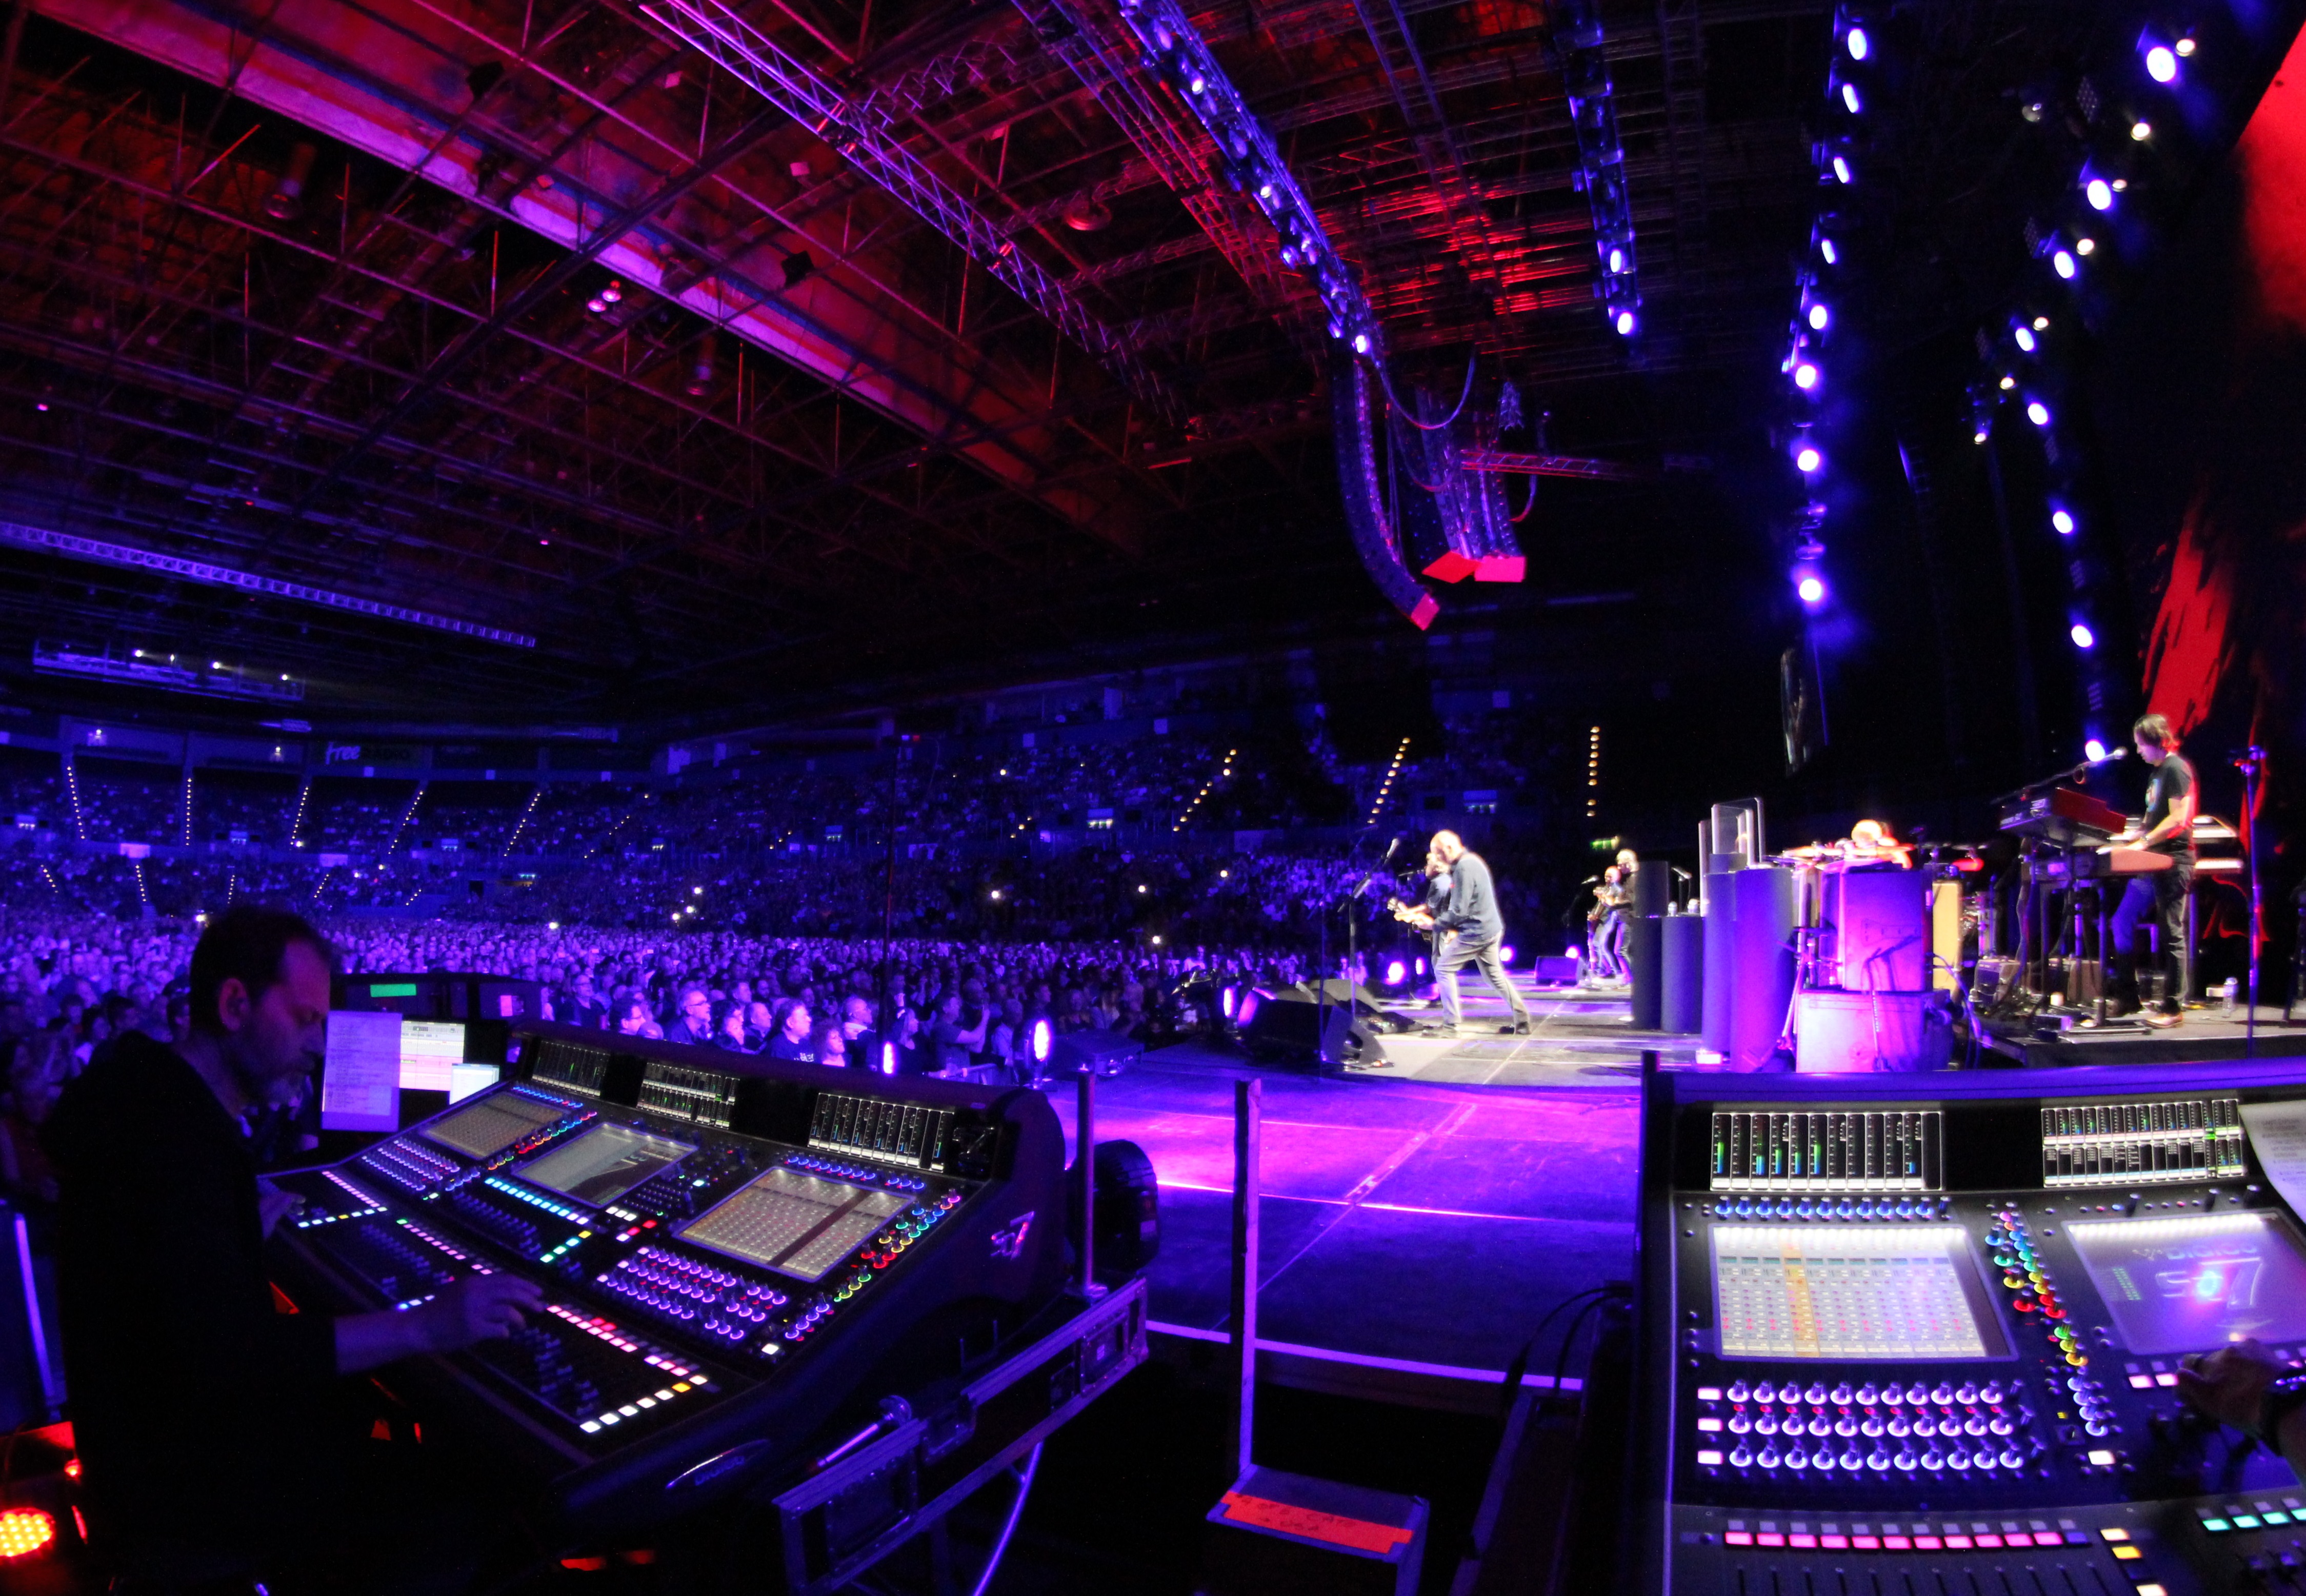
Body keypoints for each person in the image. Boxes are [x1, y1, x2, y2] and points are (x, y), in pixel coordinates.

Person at [45, 904, 543, 1589]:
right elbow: (235, 1354)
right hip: (188, 1487)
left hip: (145, 1444)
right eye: (308, 1020)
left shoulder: (141, 1098)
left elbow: (160, 1284)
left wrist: (227, 1240)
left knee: (366, 1408)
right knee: (480, 1492)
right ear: (235, 1003)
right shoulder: (175, 1146)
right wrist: (427, 1324)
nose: (320, 1046)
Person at [1400, 832, 1531, 1036]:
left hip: (1477, 931)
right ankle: (1522, 1021)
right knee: (1495, 976)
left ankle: (1450, 1027)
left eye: (1438, 854)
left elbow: (1459, 911)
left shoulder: (1464, 867)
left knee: (1443, 969)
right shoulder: (1471, 861)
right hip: (1490, 928)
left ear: (1449, 848)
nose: (1437, 859)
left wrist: (1433, 925)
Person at [2111, 713, 2196, 1028]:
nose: (2138, 751)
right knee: (2121, 921)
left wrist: (2144, 842)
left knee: (2171, 932)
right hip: (2152, 862)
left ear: (2157, 741)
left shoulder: (2176, 768)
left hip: (2173, 861)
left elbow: (2178, 820)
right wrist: (2125, 840)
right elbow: (2152, 821)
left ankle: (2173, 1008)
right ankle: (2128, 997)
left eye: (2141, 745)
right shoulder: (2157, 774)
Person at [767, 998, 817, 1062]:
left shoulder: (807, 1044)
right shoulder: (778, 1047)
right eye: (804, 1017)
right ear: (790, 1023)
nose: (809, 1020)